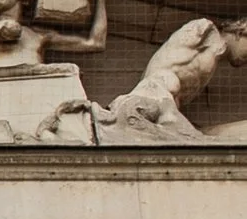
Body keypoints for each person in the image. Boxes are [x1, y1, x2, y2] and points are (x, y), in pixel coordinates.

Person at [105, 14, 247, 139]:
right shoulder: (205, 29)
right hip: (155, 96)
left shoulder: (213, 60)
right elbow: (160, 65)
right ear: (240, 33)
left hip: (167, 106)